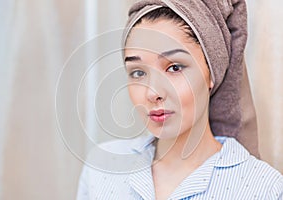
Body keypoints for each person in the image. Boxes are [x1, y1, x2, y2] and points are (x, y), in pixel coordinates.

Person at [77, 0, 283, 199]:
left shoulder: (264, 188)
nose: (152, 93)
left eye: (174, 68)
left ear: (211, 72)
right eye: (138, 72)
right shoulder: (102, 167)